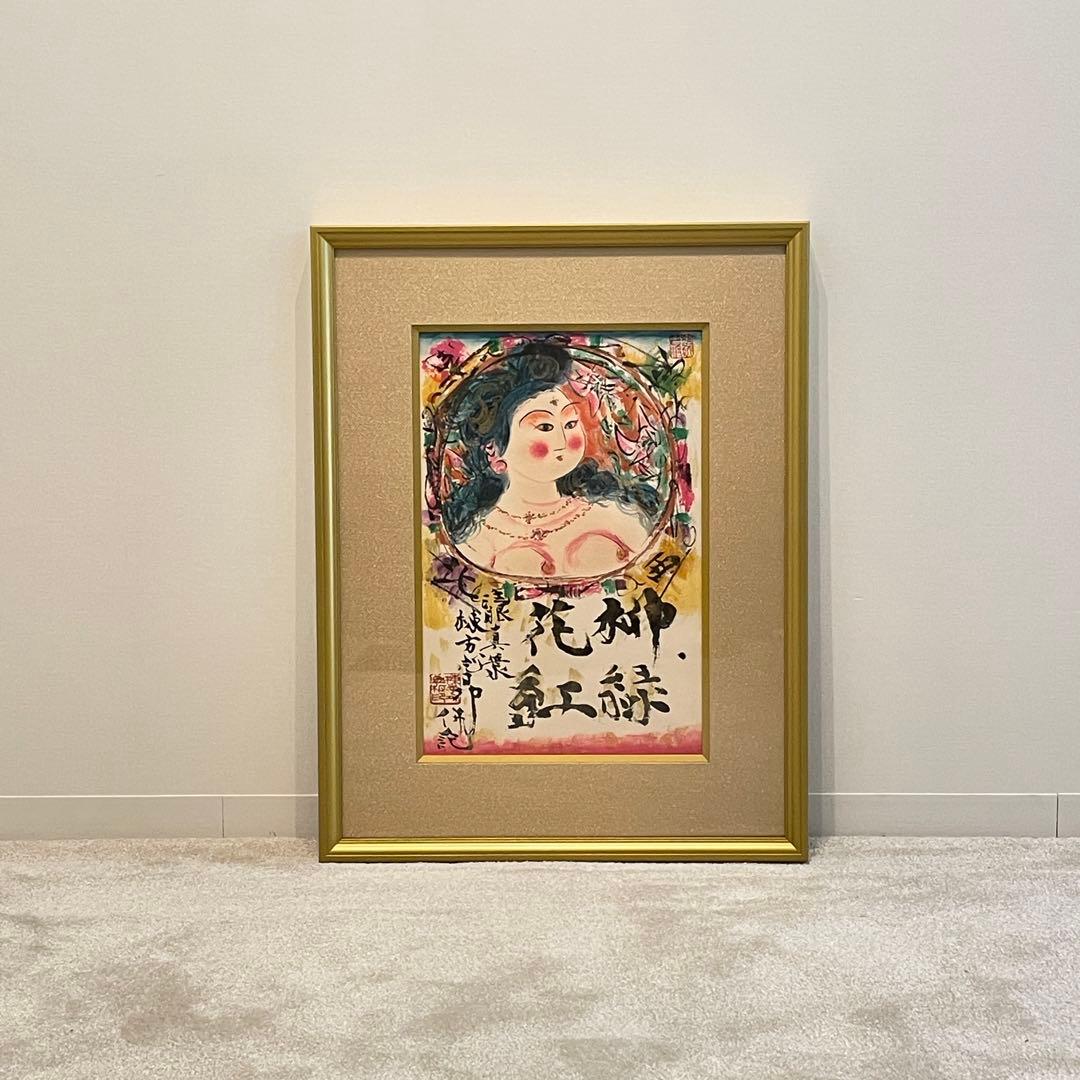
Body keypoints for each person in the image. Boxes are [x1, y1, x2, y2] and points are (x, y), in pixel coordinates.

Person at [442, 340, 662, 580]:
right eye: (545, 427)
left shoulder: (615, 512)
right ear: (494, 451)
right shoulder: (479, 539)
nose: (563, 440)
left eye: (570, 423)